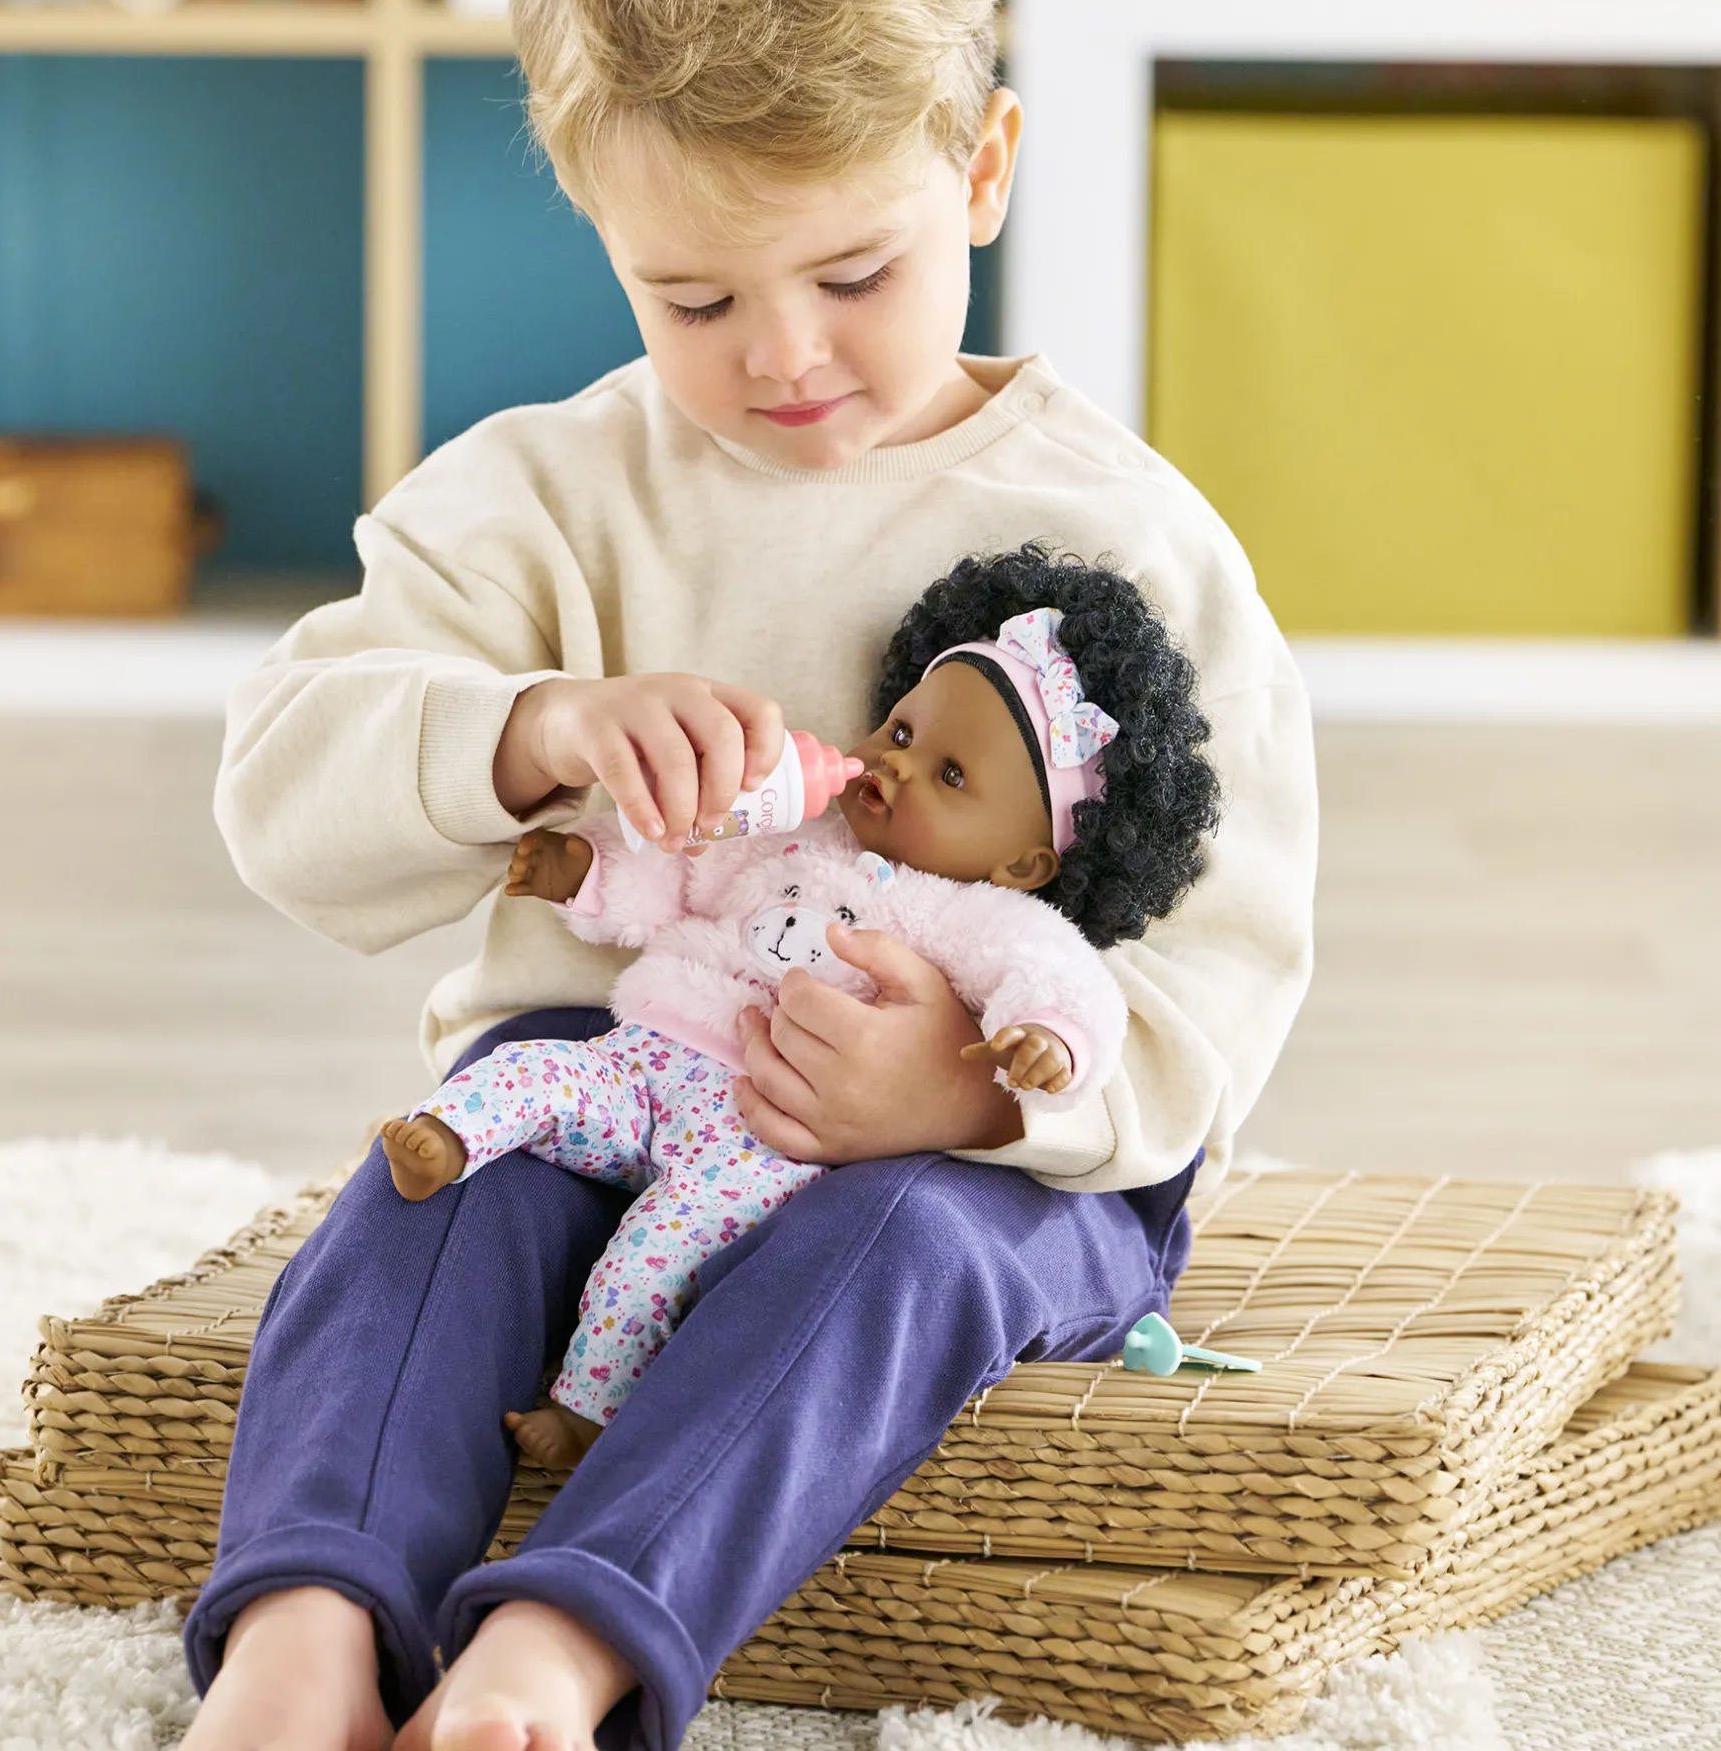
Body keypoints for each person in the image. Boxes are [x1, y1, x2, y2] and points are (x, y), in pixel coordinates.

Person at [177, 0, 1318, 1750]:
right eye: (693, 295)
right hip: (619, 1066)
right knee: (441, 1182)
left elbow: (1232, 949)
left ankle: (559, 1652)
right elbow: (283, 784)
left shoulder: (1132, 539)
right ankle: (307, 1629)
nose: (782, 355)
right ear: (602, 231)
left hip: (992, 1163)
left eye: (853, 277)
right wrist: (529, 731)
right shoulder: (548, 495)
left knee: (896, 1246)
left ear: (984, 169)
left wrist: (967, 1088)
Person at [381, 555, 1220, 1470]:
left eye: (948, 775)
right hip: (646, 1058)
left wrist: (1046, 1039)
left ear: (1023, 862)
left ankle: (588, 1408)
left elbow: (1059, 979)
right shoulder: (787, 830)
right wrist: (582, 871)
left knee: (655, 1252)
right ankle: (450, 1136)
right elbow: (679, 873)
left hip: (762, 1135)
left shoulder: (978, 916)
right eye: (901, 731)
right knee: (533, 1070)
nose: (895, 765)